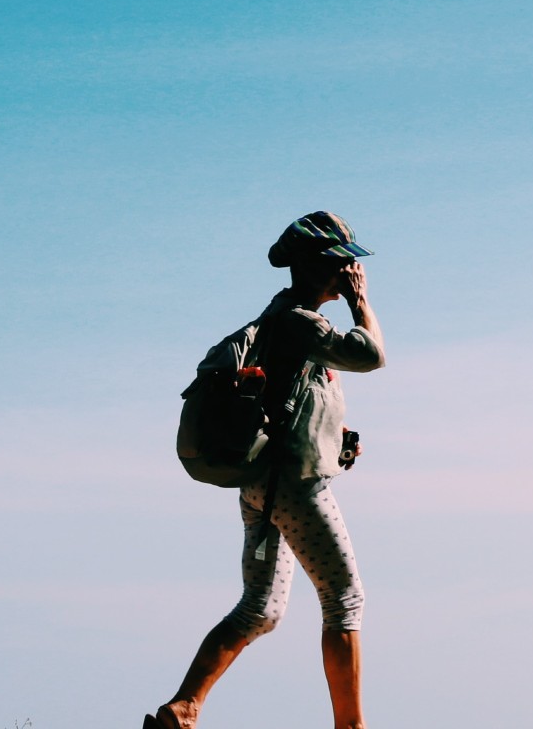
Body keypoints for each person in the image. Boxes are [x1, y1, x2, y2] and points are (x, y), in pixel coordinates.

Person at [145, 211, 387, 729]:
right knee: (345, 600)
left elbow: (297, 401)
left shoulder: (282, 322)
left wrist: (337, 441)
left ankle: (184, 708)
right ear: (321, 265)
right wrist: (360, 303)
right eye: (342, 262)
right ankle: (352, 726)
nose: (350, 270)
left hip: (262, 486)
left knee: (261, 607)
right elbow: (369, 355)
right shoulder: (301, 321)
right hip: (294, 487)